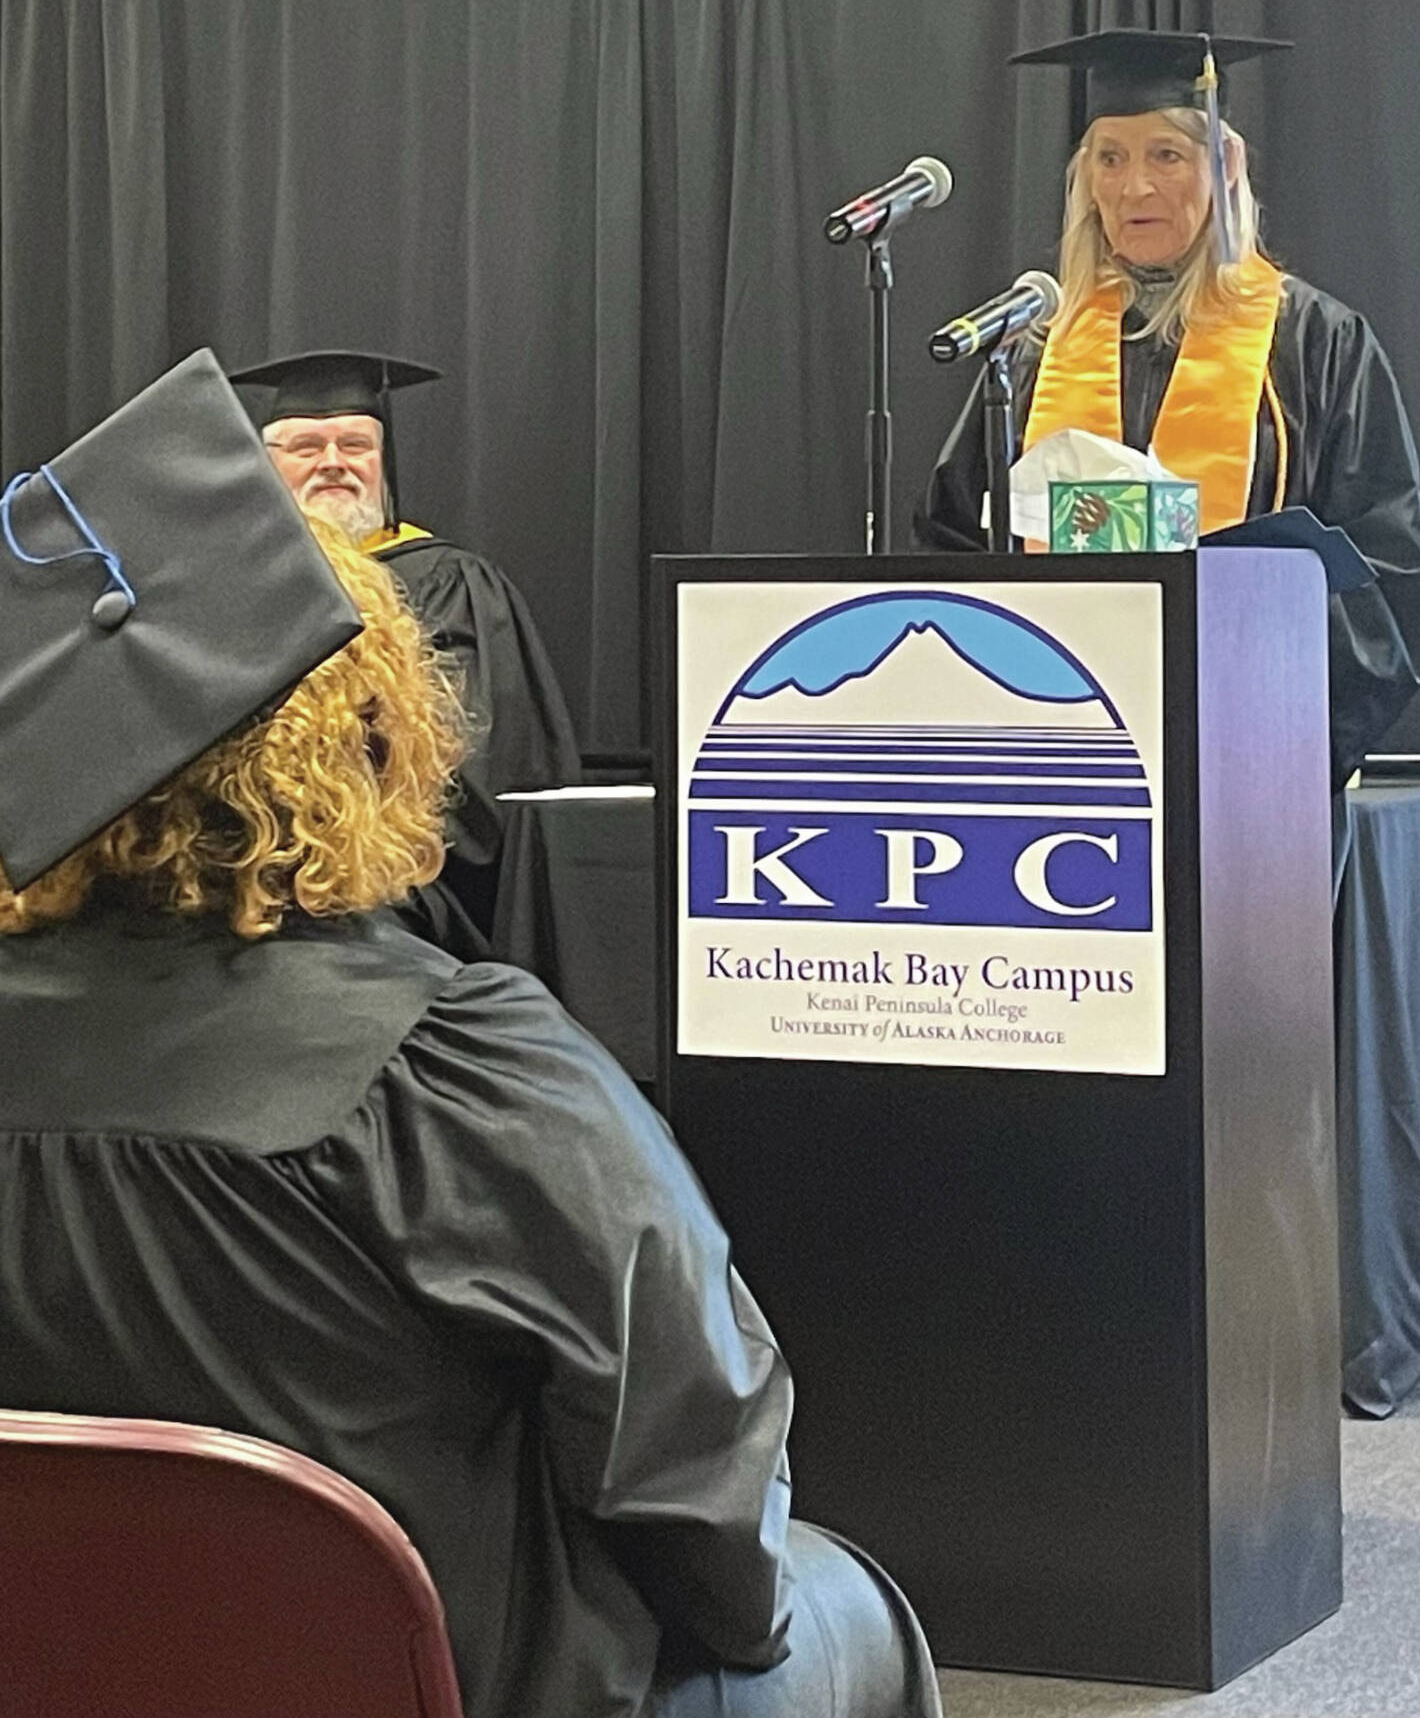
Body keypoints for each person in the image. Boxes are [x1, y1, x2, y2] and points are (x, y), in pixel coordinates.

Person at [0, 358, 937, 1718]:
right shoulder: (447, 1066)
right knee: (842, 1610)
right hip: (448, 1683)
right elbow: (696, 1461)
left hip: (62, 1673)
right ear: (368, 737)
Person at [921, 30, 1420, 818]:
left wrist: (1270, 710)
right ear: (1083, 179)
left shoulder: (1313, 343)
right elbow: (951, 541)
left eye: (1167, 155)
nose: (1134, 189)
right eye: (1110, 158)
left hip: (1247, 769)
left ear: (1224, 168)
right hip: (1055, 760)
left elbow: (1381, 564)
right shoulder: (1031, 348)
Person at [231, 349, 582, 950]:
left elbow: (470, 786)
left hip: (392, 898)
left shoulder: (446, 585)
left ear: (384, 461)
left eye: (355, 445)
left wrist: (340, 857)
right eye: (308, 448)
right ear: (267, 466)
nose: (334, 464)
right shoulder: (230, 586)